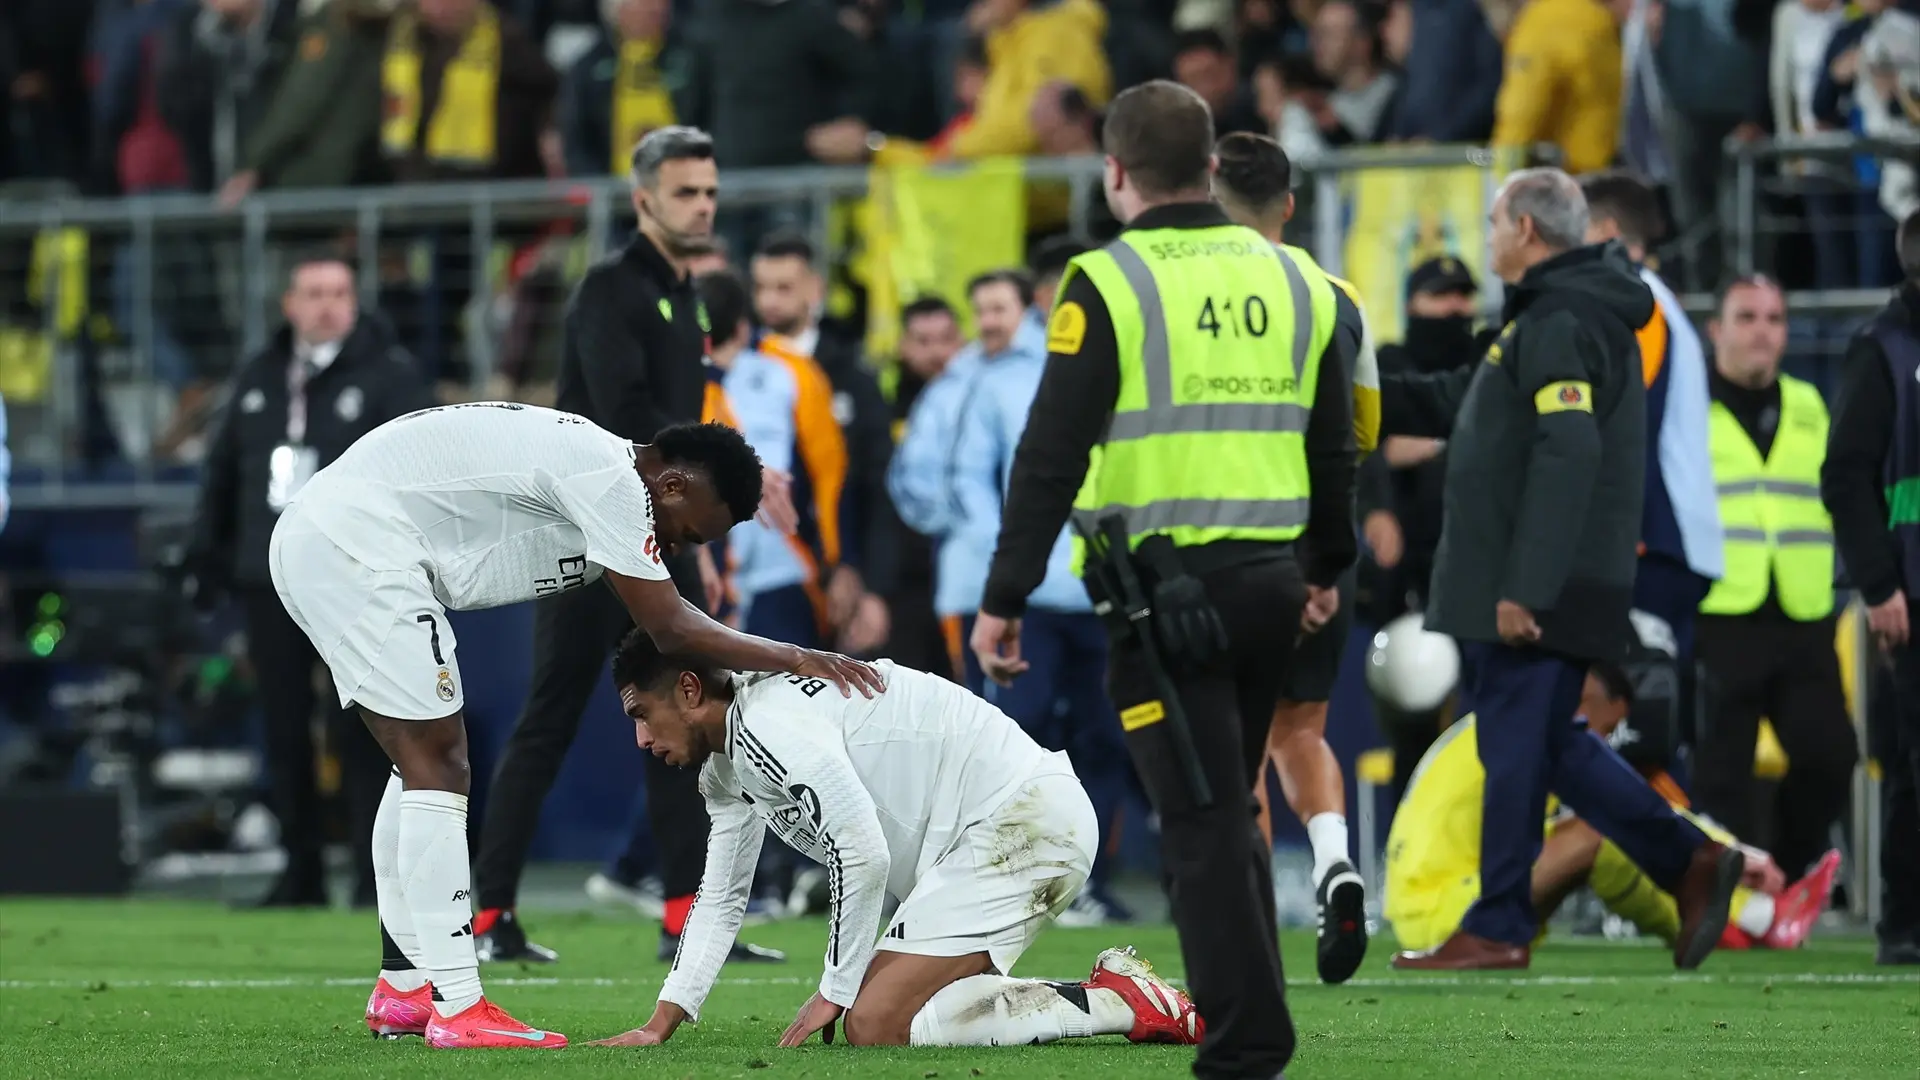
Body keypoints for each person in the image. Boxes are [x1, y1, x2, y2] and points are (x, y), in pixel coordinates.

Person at [270, 403, 881, 1049]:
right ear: (671, 485)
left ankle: (404, 990)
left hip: (333, 538)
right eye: (686, 533)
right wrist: (798, 655)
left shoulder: (602, 469)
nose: (672, 549)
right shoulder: (611, 481)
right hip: (355, 546)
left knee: (415, 763)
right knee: (437, 759)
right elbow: (668, 626)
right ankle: (458, 1006)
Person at [972, 80, 1360, 1080]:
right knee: (1223, 812)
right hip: (1276, 585)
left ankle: (1246, 1049)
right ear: (1209, 167)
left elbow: (1050, 453)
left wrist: (1005, 595)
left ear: (1114, 175)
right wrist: (1326, 567)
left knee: (1200, 826)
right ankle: (1252, 1029)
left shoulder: (1109, 281)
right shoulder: (1301, 282)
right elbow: (1335, 447)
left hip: (1166, 595)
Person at [1380, 167, 1772, 972]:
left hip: (1540, 582)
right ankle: (1687, 859)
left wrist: (1529, 585)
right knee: (1545, 740)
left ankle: (1498, 923)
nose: (1487, 238)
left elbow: (1569, 452)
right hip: (1550, 573)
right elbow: (1461, 398)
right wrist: (1352, 394)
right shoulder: (1549, 317)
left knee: (1517, 742)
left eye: (1494, 223)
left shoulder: (1560, 316)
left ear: (1526, 229)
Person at [469, 127, 794, 967]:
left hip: (660, 531)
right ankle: (489, 915)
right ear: (644, 199)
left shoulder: (686, 299)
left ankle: (686, 917)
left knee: (686, 709)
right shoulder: (610, 291)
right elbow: (624, 415)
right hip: (589, 533)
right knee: (550, 718)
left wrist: (704, 538)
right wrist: (735, 466)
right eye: (687, 192)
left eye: (710, 192)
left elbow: (670, 440)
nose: (703, 206)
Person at [590, 634, 1203, 1050]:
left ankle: (1119, 1003)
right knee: (892, 1014)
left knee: (875, 1020)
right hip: (996, 833)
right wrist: (660, 1023)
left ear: (691, 691)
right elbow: (722, 898)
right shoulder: (727, 764)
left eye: (642, 713)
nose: (642, 739)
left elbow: (861, 851)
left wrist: (835, 988)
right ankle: (1109, 994)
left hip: (1024, 820)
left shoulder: (767, 726)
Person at [184, 253, 432, 909]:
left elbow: (420, 469)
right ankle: (302, 872)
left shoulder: (390, 376)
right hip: (269, 576)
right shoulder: (261, 375)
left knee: (361, 725)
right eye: (315, 293)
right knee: (284, 726)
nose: (328, 305)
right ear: (289, 303)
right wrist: (207, 554)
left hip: (355, 576)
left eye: (340, 293)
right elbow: (225, 472)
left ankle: (373, 877)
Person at [1208, 130, 1381, 985]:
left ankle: (1248, 932)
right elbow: (1362, 431)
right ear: (1290, 205)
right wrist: (1324, 560)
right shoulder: (1337, 296)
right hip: (1320, 544)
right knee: (1301, 727)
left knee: (1232, 739)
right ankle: (1333, 864)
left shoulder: (1194, 294)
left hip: (1228, 541)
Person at [1386, 659, 1836, 954]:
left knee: (1603, 850)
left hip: (1438, 898)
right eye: (1608, 728)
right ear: (1584, 701)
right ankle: (1761, 919)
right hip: (1439, 916)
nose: (1606, 746)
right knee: (1598, 830)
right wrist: (1726, 849)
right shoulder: (1536, 731)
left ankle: (1725, 929)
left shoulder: (1506, 721)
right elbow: (1624, 806)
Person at [951, 268, 1135, 928]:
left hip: (1106, 587)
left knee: (1107, 740)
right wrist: (1000, 565)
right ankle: (1010, 879)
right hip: (1031, 593)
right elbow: (971, 478)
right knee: (1018, 739)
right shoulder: (999, 379)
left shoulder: (1127, 361)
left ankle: (1089, 881)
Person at [1692, 275, 1857, 881]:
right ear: (1717, 330)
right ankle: (1734, 898)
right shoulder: (1689, 408)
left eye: (1775, 318)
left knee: (1830, 758)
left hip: (1803, 612)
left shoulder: (1811, 404)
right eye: (1748, 317)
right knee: (1721, 774)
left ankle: (1783, 870)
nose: (1763, 331)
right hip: (1720, 608)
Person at [1581, 171, 1723, 724]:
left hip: (1649, 544)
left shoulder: (1634, 300)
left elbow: (1626, 424)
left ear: (1609, 231)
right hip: (1665, 541)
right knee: (1648, 723)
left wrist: (1626, 538)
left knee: (1637, 727)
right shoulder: (1654, 298)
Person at [1821, 209, 1920, 966]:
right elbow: (1847, 475)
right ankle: (1905, 927)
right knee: (1914, 763)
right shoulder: (1882, 347)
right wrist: (1879, 583)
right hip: (1911, 591)